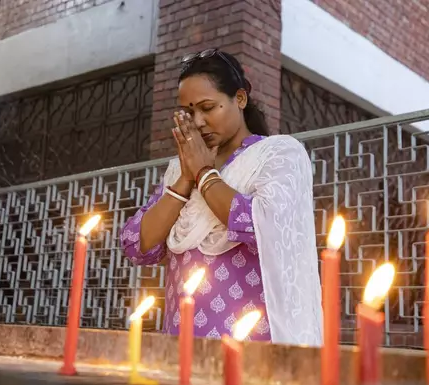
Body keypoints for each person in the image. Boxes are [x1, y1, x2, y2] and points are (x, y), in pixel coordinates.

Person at [120, 49, 322, 346]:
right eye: (189, 113)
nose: (198, 122)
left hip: (252, 343)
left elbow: (261, 226)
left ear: (239, 99)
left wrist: (204, 173)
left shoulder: (277, 155)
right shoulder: (179, 169)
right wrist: (187, 178)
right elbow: (138, 245)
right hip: (180, 342)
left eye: (208, 108)